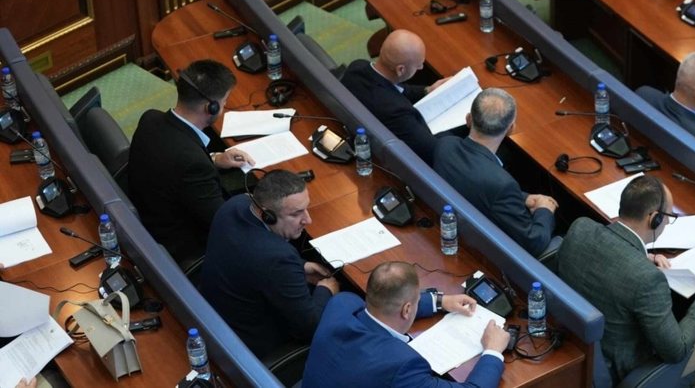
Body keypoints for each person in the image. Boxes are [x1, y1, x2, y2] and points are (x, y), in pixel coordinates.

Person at [558, 175, 695, 386]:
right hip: (624, 370)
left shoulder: (580, 228)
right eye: (668, 216)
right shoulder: (647, 279)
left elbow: (604, 262)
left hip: (577, 350)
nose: (668, 222)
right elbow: (676, 350)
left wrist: (640, 257)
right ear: (654, 219)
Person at [201, 169, 339, 360]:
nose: (308, 220)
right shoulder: (277, 257)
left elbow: (252, 256)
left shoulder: (234, 205)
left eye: (306, 208)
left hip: (218, 310)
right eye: (296, 213)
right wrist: (326, 290)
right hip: (252, 342)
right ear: (266, 214)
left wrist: (301, 266)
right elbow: (311, 328)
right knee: (347, 305)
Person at [303, 261, 509, 388]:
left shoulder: (340, 305)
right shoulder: (401, 365)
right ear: (407, 309)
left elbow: (381, 305)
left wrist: (439, 301)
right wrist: (493, 351)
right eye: (416, 301)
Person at [128, 59, 254, 262]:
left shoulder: (150, 118)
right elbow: (223, 224)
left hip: (152, 210)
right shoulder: (193, 165)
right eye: (224, 102)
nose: (224, 106)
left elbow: (172, 161)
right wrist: (259, 206)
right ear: (210, 107)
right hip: (186, 244)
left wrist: (215, 159)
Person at [434, 88, 557, 258]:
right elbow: (533, 243)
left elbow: (477, 185)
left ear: (468, 119)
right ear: (511, 129)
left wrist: (523, 198)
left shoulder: (445, 145)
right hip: (482, 253)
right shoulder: (502, 184)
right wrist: (544, 210)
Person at [341, 29, 450, 165]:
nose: (421, 68)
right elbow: (433, 151)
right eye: (418, 65)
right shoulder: (397, 111)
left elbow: (398, 89)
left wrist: (427, 90)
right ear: (400, 70)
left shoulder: (357, 68)